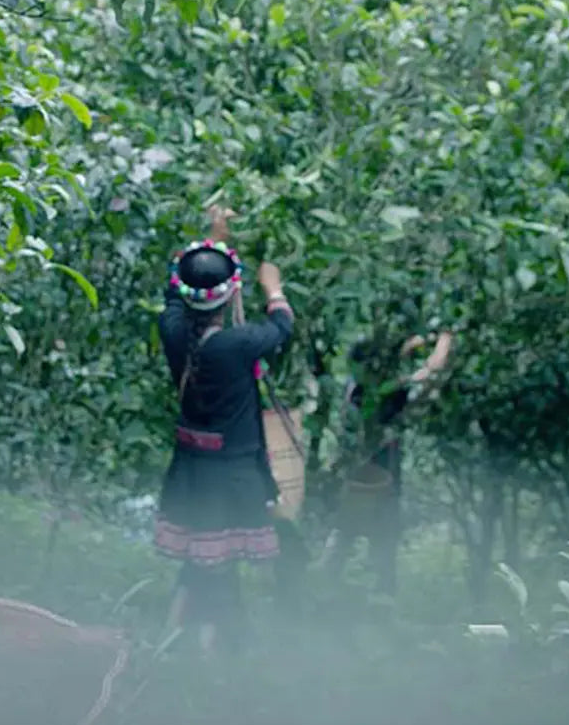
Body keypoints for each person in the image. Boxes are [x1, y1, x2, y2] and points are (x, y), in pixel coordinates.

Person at [154, 207, 294, 658]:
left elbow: (177, 291)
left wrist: (216, 237)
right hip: (232, 474)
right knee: (217, 567)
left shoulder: (174, 329)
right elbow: (282, 326)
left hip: (192, 469)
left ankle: (176, 642)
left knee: (204, 559)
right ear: (227, 295)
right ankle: (210, 651)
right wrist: (273, 288)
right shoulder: (237, 344)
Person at [322, 328, 454, 596]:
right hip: (378, 466)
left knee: (351, 527)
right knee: (378, 528)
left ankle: (340, 583)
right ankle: (378, 589)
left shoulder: (357, 385)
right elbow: (427, 375)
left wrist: (422, 340)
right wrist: (444, 340)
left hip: (357, 467)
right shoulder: (381, 391)